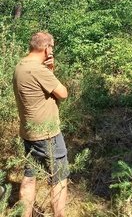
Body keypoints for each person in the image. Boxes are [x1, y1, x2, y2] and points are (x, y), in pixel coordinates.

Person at [13, 32, 69, 217]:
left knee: (29, 176)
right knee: (58, 178)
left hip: (28, 132)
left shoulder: (21, 65)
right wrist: (50, 71)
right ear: (47, 48)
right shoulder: (39, 70)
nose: (52, 50)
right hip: (48, 133)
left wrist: (49, 71)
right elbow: (63, 93)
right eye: (51, 47)